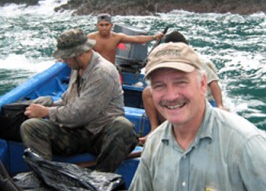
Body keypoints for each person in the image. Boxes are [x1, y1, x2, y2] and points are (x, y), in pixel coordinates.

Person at [123, 42, 266, 191]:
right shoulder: (155, 144)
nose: (171, 96)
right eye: (159, 86)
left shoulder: (244, 145)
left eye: (181, 82)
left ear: (202, 84)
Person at [20, 28, 138, 172]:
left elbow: (80, 114)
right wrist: (50, 102)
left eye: (66, 57)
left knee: (123, 127)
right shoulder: (77, 67)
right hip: (77, 133)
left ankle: (100, 177)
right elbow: (69, 101)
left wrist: (46, 112)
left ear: (79, 54)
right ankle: (46, 175)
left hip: (100, 135)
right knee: (30, 127)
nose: (63, 60)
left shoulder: (102, 72)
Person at [139, 31, 227, 144]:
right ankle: (155, 128)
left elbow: (213, 83)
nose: (171, 96)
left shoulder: (198, 61)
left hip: (202, 99)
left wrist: (220, 105)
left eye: (181, 82)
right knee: (147, 92)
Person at [87, 13, 164, 64]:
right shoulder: (90, 37)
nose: (104, 27)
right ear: (97, 25)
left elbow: (136, 39)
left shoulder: (116, 37)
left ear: (111, 25)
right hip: (95, 70)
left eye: (106, 25)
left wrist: (154, 37)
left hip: (111, 70)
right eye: (101, 25)